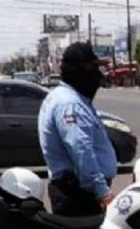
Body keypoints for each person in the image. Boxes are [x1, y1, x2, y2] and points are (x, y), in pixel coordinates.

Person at [38, 42, 117, 216]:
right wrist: (102, 193)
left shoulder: (64, 97)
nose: (98, 76)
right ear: (83, 71)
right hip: (79, 197)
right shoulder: (70, 104)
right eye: (94, 69)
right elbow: (81, 150)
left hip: (76, 192)